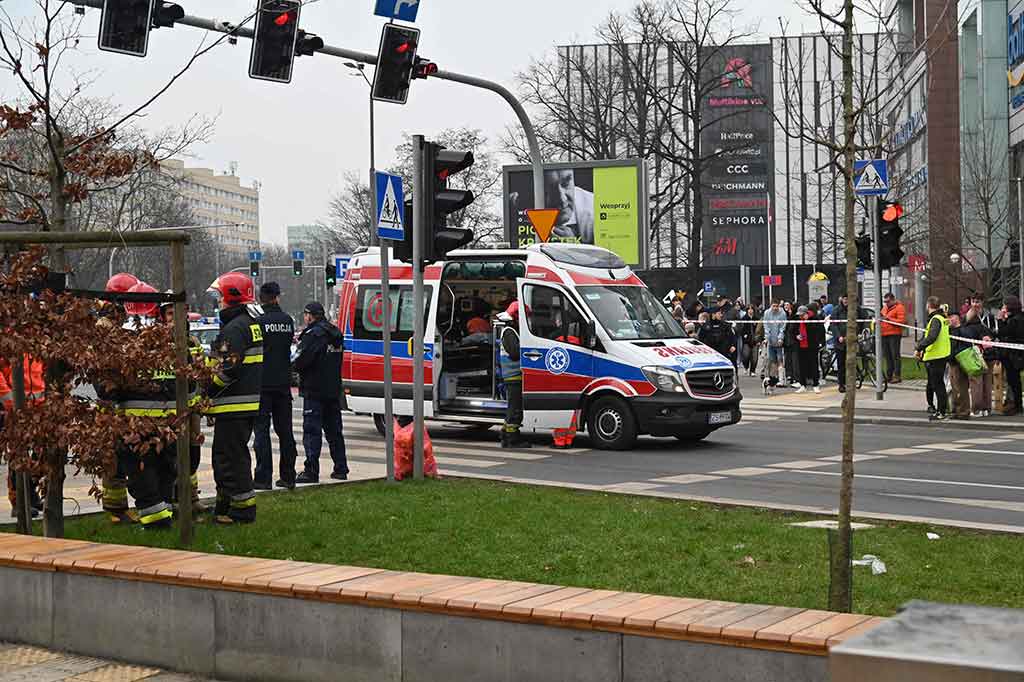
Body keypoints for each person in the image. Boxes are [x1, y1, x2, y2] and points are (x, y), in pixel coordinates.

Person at [207, 272, 263, 524]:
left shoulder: (234, 328)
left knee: (229, 458)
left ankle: (240, 510)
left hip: (233, 403)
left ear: (230, 296)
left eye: (219, 296)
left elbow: (228, 369)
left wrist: (208, 388)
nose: (217, 301)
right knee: (233, 455)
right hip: (244, 403)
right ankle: (228, 506)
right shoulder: (247, 323)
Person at [98, 272, 141, 523]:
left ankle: (119, 507)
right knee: (113, 456)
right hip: (110, 400)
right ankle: (115, 509)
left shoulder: (116, 325)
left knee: (121, 453)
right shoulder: (105, 328)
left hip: (117, 398)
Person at [157, 294, 205, 515]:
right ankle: (174, 500)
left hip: (193, 410)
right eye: (170, 313)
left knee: (193, 455)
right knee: (170, 457)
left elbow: (202, 374)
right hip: (169, 411)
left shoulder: (193, 342)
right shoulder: (158, 342)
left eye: (181, 312)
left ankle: (191, 497)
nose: (176, 317)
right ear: (162, 317)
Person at [293, 301, 349, 482]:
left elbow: (300, 361)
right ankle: (341, 468)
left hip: (314, 390)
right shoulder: (335, 333)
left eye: (305, 315)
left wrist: (294, 367)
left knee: (312, 432)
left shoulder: (313, 335)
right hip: (333, 390)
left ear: (310, 315)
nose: (305, 318)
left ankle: (311, 471)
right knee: (334, 432)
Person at [253, 282, 299, 491]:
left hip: (262, 383)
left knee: (262, 432)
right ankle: (288, 476)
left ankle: (263, 478)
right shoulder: (288, 321)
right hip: (283, 384)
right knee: (285, 432)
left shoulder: (258, 322)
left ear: (262, 298)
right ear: (277, 297)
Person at [2, 355, 45, 519]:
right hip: (13, 408)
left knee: (40, 453)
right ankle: (19, 502)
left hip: (37, 407)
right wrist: (10, 400)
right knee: (19, 455)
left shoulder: (35, 342)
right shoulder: (9, 341)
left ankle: (30, 493)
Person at [496, 301, 531, 448]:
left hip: (515, 375)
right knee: (515, 409)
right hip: (513, 375)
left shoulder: (512, 330)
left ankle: (505, 434)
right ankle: (512, 438)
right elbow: (515, 353)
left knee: (514, 406)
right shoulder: (509, 332)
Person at [915, 296, 950, 421]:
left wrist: (919, 347)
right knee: (938, 384)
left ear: (928, 305)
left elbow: (932, 337)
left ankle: (941, 412)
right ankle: (942, 410)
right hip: (942, 354)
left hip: (936, 356)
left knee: (938, 385)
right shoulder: (943, 318)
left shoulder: (935, 319)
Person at [960, 309, 993, 416]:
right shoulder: (984, 328)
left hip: (975, 358)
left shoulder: (967, 329)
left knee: (976, 383)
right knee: (987, 383)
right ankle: (987, 408)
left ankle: (976, 409)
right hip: (988, 358)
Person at [998, 296, 1024, 416]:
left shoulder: (1014, 320)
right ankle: (1017, 404)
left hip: (1013, 355)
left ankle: (1016, 405)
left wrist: (1001, 320)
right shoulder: (1020, 317)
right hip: (1018, 354)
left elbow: (1004, 333)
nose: (1003, 308)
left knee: (1013, 381)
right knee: (1015, 381)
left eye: (1004, 305)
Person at [795, 304, 825, 393]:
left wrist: (820, 342)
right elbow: (792, 330)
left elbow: (820, 330)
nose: (800, 317)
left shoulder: (815, 319)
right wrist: (797, 336)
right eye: (799, 315)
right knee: (802, 366)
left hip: (812, 345)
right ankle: (802, 385)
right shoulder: (798, 320)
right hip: (801, 345)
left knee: (814, 365)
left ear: (806, 313)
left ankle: (816, 384)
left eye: (801, 315)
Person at [946, 313, 971, 420]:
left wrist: (955, 355)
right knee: (954, 388)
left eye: (951, 317)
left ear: (956, 319)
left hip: (959, 363)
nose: (949, 320)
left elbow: (965, 346)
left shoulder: (963, 331)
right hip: (952, 363)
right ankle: (955, 410)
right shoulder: (950, 331)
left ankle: (964, 411)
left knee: (961, 388)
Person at [761, 300, 787, 394]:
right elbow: (766, 326)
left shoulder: (782, 313)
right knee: (772, 361)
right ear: (771, 306)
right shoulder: (767, 313)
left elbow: (782, 327)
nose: (775, 308)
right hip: (770, 341)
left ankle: (781, 379)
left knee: (780, 358)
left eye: (777, 306)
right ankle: (773, 378)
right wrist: (766, 338)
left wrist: (780, 338)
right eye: (773, 306)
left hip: (779, 340)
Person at [880, 292, 906, 384]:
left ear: (893, 300)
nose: (886, 303)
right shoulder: (885, 307)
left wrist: (889, 319)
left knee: (895, 355)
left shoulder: (899, 308)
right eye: (885, 301)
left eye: (888, 301)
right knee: (888, 356)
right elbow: (882, 316)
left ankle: (897, 375)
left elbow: (901, 321)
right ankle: (889, 375)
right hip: (884, 334)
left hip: (894, 334)